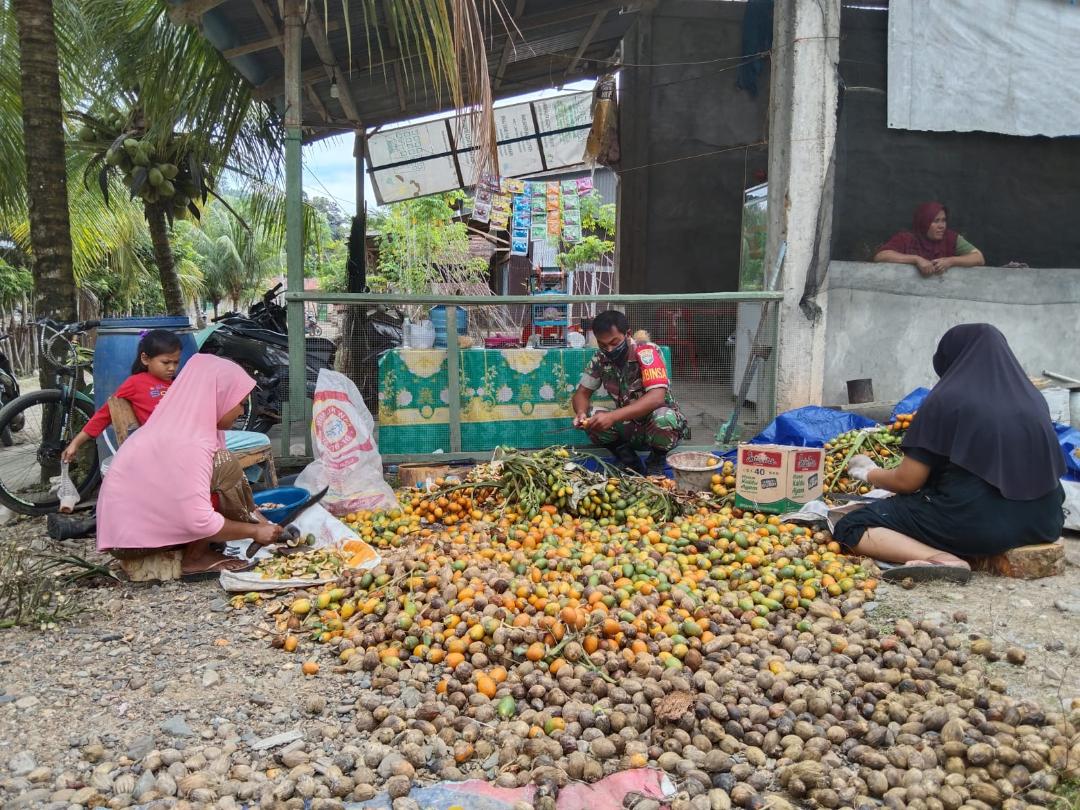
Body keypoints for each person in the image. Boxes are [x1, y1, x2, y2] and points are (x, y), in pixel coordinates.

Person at [834, 324, 1065, 583]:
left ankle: (943, 559)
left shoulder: (946, 398)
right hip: (1045, 522)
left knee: (850, 526)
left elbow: (907, 482)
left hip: (979, 526)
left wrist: (867, 471)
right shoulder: (1033, 399)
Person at [96, 354, 284, 577]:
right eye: (240, 404)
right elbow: (199, 520)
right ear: (217, 398)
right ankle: (195, 559)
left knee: (224, 467)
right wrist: (255, 531)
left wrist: (267, 528)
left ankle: (197, 549)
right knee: (224, 465)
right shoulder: (190, 445)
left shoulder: (191, 428)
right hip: (131, 544)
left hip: (133, 532)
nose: (242, 411)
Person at [571, 310, 687, 474]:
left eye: (614, 342)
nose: (609, 349)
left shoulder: (647, 352)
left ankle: (656, 460)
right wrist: (581, 413)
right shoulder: (600, 358)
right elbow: (582, 393)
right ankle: (629, 461)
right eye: (603, 344)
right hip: (630, 426)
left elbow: (656, 398)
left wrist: (611, 417)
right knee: (591, 418)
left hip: (659, 428)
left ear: (628, 334)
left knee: (663, 417)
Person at [62, 329, 181, 464]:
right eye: (166, 362)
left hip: (181, 442)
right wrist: (76, 442)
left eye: (176, 362)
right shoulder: (135, 383)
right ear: (145, 359)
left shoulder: (179, 382)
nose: (172, 368)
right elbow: (104, 415)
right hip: (158, 449)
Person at [874, 202, 986, 277]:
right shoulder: (906, 238)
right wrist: (916, 259)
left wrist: (950, 261)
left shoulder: (950, 238)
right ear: (924, 223)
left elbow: (978, 257)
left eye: (943, 220)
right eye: (936, 221)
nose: (942, 226)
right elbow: (881, 256)